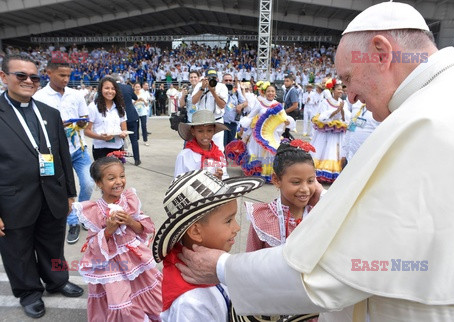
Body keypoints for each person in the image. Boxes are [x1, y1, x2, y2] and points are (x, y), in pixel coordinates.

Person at [177, 2, 454, 321]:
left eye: (348, 79)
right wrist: (336, 200)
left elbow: (348, 269)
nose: (349, 97)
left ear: (380, 52)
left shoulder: (423, 119)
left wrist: (223, 268)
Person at [0, 54, 83, 319]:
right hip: (12, 199)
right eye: (21, 76)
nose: (28, 81)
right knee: (19, 250)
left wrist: (70, 191)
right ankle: (29, 292)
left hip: (52, 194)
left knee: (52, 244)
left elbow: (62, 155)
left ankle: (57, 280)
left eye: (34, 77)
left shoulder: (49, 113)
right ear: (4, 78)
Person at [151, 170, 264, 321]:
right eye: (228, 220)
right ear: (196, 231)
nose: (237, 227)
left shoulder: (217, 261)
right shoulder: (191, 304)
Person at [73, 157, 163, 321]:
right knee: (120, 302)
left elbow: (143, 228)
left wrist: (130, 221)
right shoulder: (95, 210)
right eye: (111, 178)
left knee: (145, 286)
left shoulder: (129, 200)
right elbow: (93, 246)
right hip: (111, 264)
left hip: (135, 256)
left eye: (122, 176)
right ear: (99, 183)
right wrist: (109, 230)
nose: (119, 182)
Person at [34, 60, 94, 245]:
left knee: (88, 183)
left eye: (68, 75)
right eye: (62, 75)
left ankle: (79, 215)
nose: (66, 79)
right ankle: (73, 222)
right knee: (63, 191)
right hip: (54, 154)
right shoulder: (39, 97)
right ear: (48, 73)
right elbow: (36, 125)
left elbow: (84, 118)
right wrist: (57, 126)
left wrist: (81, 123)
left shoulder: (75, 95)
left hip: (78, 148)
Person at [246, 140, 318, 251]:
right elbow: (250, 260)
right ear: (276, 180)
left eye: (310, 181)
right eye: (296, 182)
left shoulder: (318, 213)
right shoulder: (263, 218)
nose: (305, 189)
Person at [310, 82, 349, 183]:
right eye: (338, 89)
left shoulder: (342, 102)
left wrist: (342, 111)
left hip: (337, 131)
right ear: (332, 90)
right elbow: (321, 117)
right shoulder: (325, 102)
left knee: (334, 150)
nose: (340, 91)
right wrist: (336, 111)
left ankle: (333, 173)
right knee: (324, 150)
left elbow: (345, 118)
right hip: (326, 131)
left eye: (341, 90)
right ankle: (320, 172)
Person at [174, 110, 229, 180]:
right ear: (193, 131)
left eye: (209, 131)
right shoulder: (184, 156)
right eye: (200, 131)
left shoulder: (219, 155)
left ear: (214, 131)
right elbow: (177, 183)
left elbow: (225, 179)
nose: (205, 135)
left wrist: (220, 178)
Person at [84, 76, 128, 160]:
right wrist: (101, 137)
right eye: (107, 88)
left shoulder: (120, 107)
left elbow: (124, 129)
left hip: (118, 148)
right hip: (101, 149)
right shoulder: (93, 107)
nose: (110, 91)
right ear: (101, 90)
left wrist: (123, 134)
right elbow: (86, 131)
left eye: (113, 88)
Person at [191, 68, 228, 152]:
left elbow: (222, 105)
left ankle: (217, 164)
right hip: (202, 122)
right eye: (210, 78)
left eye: (214, 78)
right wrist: (202, 88)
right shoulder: (199, 85)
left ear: (217, 79)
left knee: (218, 148)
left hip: (216, 121)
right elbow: (193, 101)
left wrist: (213, 92)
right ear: (205, 78)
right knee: (202, 146)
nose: (212, 80)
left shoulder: (222, 87)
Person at [116, 76, 141, 166]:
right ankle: (137, 159)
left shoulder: (113, 88)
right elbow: (135, 97)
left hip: (120, 116)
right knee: (134, 139)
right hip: (131, 115)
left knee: (119, 139)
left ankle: (120, 158)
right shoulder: (127, 87)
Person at [222, 73, 247, 147]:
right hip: (222, 123)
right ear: (222, 81)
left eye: (230, 80)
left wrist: (240, 105)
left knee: (231, 146)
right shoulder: (219, 91)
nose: (228, 82)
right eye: (226, 80)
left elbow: (245, 102)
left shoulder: (235, 92)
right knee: (222, 145)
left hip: (233, 123)